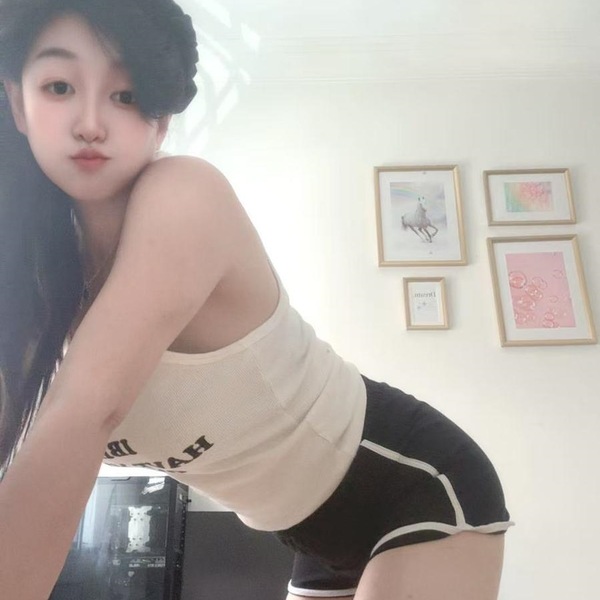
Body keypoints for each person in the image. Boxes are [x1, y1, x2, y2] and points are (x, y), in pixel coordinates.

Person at [0, 1, 513, 598]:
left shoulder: (185, 196)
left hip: (411, 489)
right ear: (18, 103)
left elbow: (83, 411)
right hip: (305, 539)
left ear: (161, 121)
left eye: (126, 94)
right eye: (59, 87)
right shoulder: (34, 274)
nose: (90, 123)